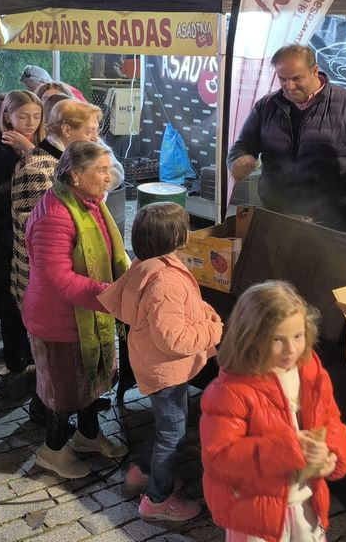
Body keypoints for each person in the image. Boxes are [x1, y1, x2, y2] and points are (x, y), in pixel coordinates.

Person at [98, 202, 223, 522]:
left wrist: (199, 312)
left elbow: (173, 317)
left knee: (166, 426)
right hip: (167, 369)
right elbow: (174, 339)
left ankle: (143, 471)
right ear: (177, 237)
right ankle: (157, 500)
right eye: (186, 227)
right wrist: (211, 329)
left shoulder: (148, 266)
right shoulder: (164, 281)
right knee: (172, 433)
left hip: (155, 364)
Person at [200, 280, 346, 541]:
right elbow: (221, 457)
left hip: (305, 501)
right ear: (251, 338)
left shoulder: (311, 372)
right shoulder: (229, 391)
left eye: (297, 336)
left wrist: (331, 456)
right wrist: (288, 449)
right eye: (277, 340)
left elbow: (332, 421)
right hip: (254, 512)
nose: (291, 349)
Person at [24, 140, 129, 478]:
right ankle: (52, 451)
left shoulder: (89, 202)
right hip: (59, 321)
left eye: (107, 167)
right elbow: (57, 278)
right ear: (75, 174)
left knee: (89, 385)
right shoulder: (55, 215)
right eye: (100, 170)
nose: (108, 176)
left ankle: (87, 436)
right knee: (64, 393)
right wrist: (111, 295)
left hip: (86, 316)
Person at [227, 44, 346, 230]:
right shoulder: (266, 106)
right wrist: (238, 160)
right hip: (277, 210)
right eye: (282, 79)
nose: (289, 86)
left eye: (296, 78)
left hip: (335, 218)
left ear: (314, 71)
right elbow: (243, 145)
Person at [0, 89, 44, 392]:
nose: (30, 122)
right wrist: (27, 170)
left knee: (36, 302)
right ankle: (16, 363)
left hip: (37, 239)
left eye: (36, 116)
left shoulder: (43, 146)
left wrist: (31, 151)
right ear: (7, 116)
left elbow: (55, 181)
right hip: (2, 239)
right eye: (23, 116)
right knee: (8, 303)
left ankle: (39, 361)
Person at [10, 100, 104, 309]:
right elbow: (41, 237)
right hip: (43, 288)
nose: (95, 138)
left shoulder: (65, 161)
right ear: (67, 130)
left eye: (96, 131)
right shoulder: (37, 168)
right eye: (90, 131)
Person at [21, 64, 87, 102]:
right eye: (26, 87)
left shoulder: (67, 92)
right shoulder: (41, 98)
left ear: (43, 83)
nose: (29, 91)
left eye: (31, 87)